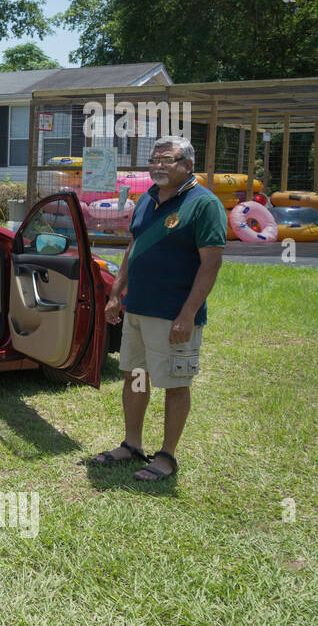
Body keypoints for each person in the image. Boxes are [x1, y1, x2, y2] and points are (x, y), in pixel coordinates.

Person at [91, 136, 225, 481]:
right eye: (154, 160)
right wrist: (117, 293)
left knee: (175, 384)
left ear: (188, 165)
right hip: (137, 309)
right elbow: (134, 246)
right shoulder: (147, 199)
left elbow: (210, 264)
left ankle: (166, 456)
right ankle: (132, 444)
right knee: (135, 376)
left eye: (167, 159)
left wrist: (187, 314)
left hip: (173, 315)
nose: (158, 165)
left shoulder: (204, 204)